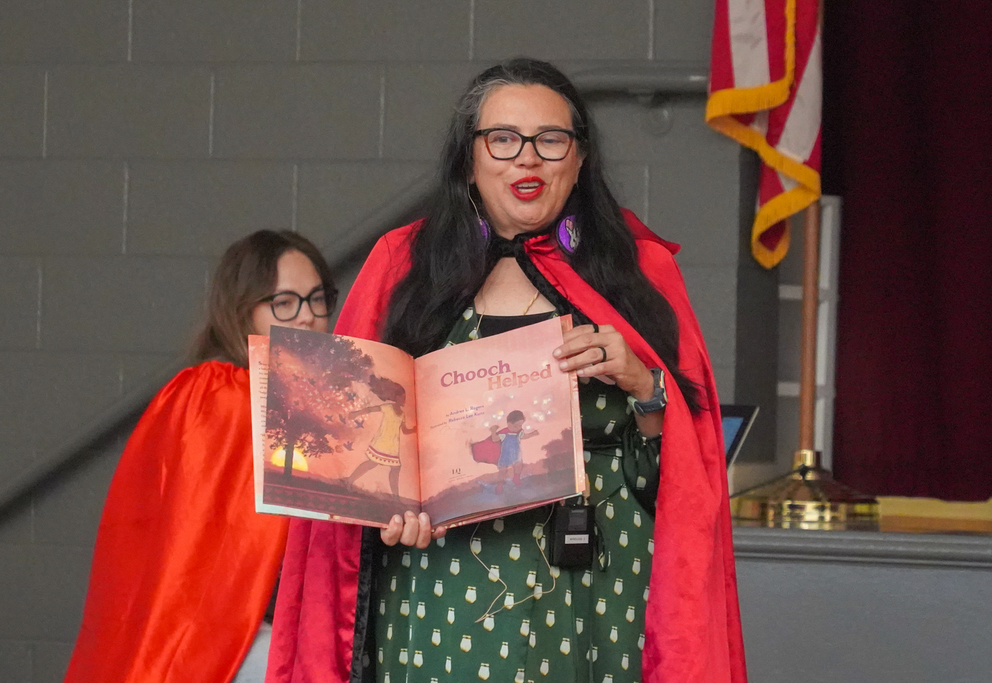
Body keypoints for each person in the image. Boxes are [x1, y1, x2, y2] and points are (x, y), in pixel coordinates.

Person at [267, 58, 747, 683]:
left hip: (595, 586)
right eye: (503, 139)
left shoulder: (641, 272)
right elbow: (340, 467)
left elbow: (687, 484)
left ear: (579, 162)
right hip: (440, 592)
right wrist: (384, 514)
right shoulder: (401, 264)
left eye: (552, 140)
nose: (528, 159)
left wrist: (644, 386)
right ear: (469, 158)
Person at [63, 230, 338, 683]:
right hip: (224, 636)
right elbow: (198, 557)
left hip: (290, 627)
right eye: (284, 302)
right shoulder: (214, 393)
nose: (307, 318)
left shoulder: (319, 404)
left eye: (317, 299)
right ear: (242, 310)